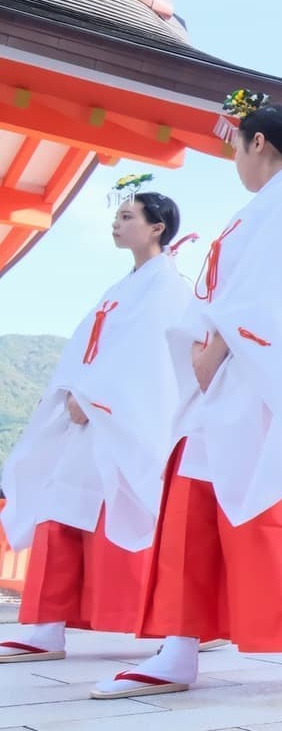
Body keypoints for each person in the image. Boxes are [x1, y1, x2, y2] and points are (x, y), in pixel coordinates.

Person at [96, 99, 282, 698]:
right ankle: (179, 646)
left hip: (264, 377)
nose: (235, 159)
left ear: (259, 143)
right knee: (192, 502)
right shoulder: (279, 202)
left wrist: (220, 342)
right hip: (240, 373)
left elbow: (278, 292)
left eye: (236, 147)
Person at [0, 180, 192, 665]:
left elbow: (152, 358)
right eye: (118, 215)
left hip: (118, 418)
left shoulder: (168, 287)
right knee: (59, 508)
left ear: (157, 228)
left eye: (129, 216)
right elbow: (90, 348)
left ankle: (170, 623)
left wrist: (99, 398)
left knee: (117, 514)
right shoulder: (121, 288)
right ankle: (44, 626)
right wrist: (71, 393)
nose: (117, 223)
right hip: (85, 419)